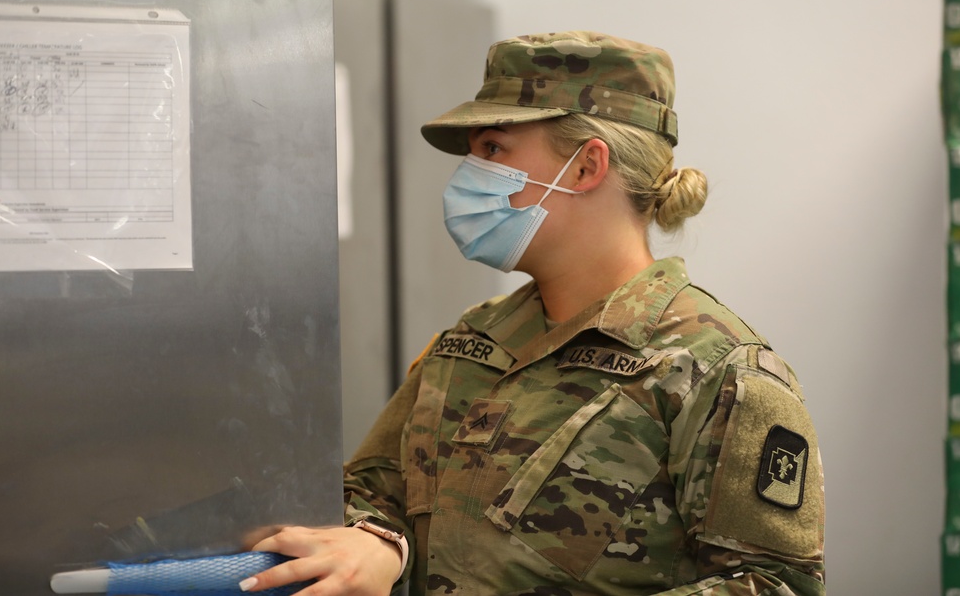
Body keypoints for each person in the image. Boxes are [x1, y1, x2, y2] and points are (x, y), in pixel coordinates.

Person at [240, 31, 826, 595]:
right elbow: (370, 489)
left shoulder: (718, 368)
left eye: (493, 149)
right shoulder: (469, 343)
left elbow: (775, 587)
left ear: (586, 167)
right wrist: (381, 544)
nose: (469, 177)